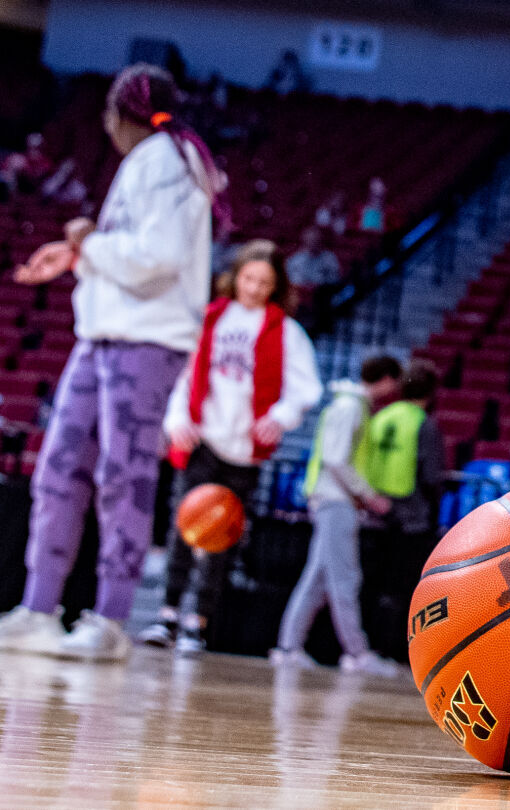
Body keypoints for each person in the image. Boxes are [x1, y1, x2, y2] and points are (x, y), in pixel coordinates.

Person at [0, 64, 221, 662]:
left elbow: (157, 256)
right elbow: (134, 247)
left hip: (144, 341)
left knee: (122, 480)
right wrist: (82, 248)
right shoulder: (152, 160)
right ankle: (38, 608)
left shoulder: (168, 161)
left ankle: (111, 620)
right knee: (58, 469)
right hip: (101, 337)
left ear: (121, 112)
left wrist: (89, 243)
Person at [139, 241, 321, 655]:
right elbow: (186, 377)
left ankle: (197, 624)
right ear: (235, 276)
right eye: (249, 278)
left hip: (243, 452)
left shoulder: (285, 331)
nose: (255, 288)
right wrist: (177, 420)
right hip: (202, 442)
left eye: (264, 282)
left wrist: (281, 415)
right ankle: (166, 615)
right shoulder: (211, 319)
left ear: (276, 287)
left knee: (222, 540)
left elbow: (307, 388)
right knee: (183, 529)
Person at [271, 354, 401, 675]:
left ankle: (289, 647)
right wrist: (369, 496)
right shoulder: (350, 408)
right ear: (385, 379)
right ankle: (356, 653)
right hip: (336, 500)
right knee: (345, 578)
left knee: (316, 579)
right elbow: (335, 458)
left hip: (332, 499)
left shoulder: (351, 406)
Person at [357, 360, 444, 660]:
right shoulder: (425, 424)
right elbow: (431, 475)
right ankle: (391, 649)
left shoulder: (381, 416)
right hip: (411, 519)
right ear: (431, 392)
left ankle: (364, 645)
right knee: (403, 589)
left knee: (370, 585)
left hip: (375, 513)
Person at [286, 227, 342, 297]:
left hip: (322, 295)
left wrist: (319, 285)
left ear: (320, 241)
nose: (312, 243)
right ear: (304, 241)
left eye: (315, 240)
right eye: (309, 240)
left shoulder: (329, 258)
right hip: (300, 295)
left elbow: (335, 280)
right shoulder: (296, 259)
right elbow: (289, 279)